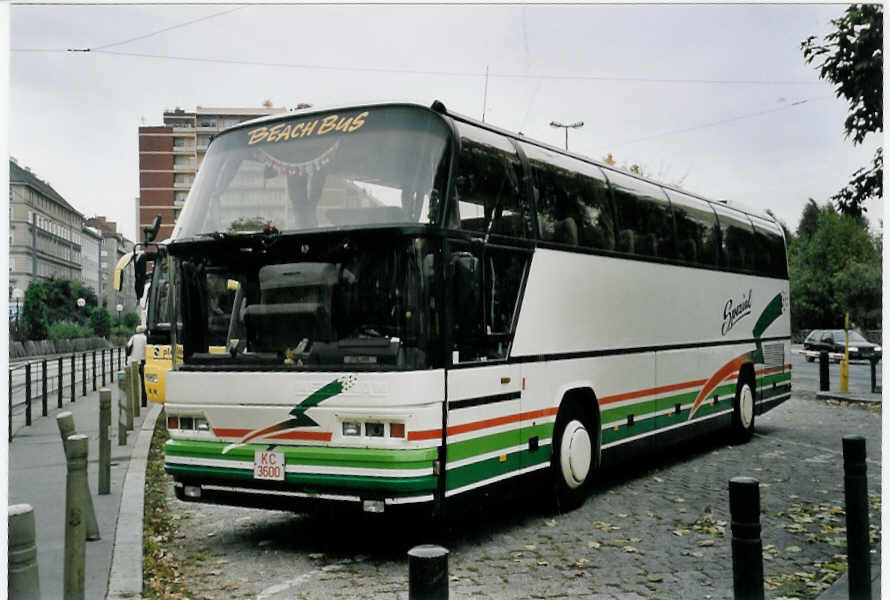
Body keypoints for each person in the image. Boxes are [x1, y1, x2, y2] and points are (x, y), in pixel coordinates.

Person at [127, 325, 148, 406]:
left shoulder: (133, 338)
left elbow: (128, 347)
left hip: (134, 362)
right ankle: (144, 402)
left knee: (134, 382)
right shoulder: (145, 338)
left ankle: (134, 402)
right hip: (143, 362)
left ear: (136, 331)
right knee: (143, 383)